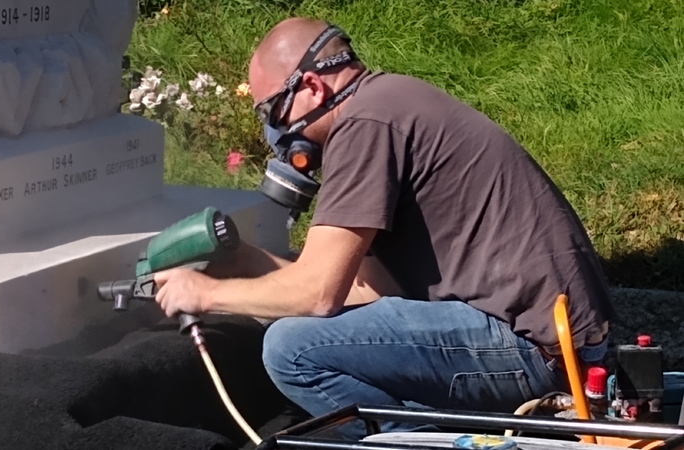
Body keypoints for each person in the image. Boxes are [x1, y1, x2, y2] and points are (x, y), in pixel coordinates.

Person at [153, 17, 615, 439]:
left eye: (272, 113)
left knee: (291, 350)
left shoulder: (364, 125)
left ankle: (431, 443)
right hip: (554, 341)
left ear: (311, 85)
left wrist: (203, 295)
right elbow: (369, 290)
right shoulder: (388, 102)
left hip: (532, 348)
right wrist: (251, 263)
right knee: (304, 337)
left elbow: (318, 295)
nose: (274, 134)